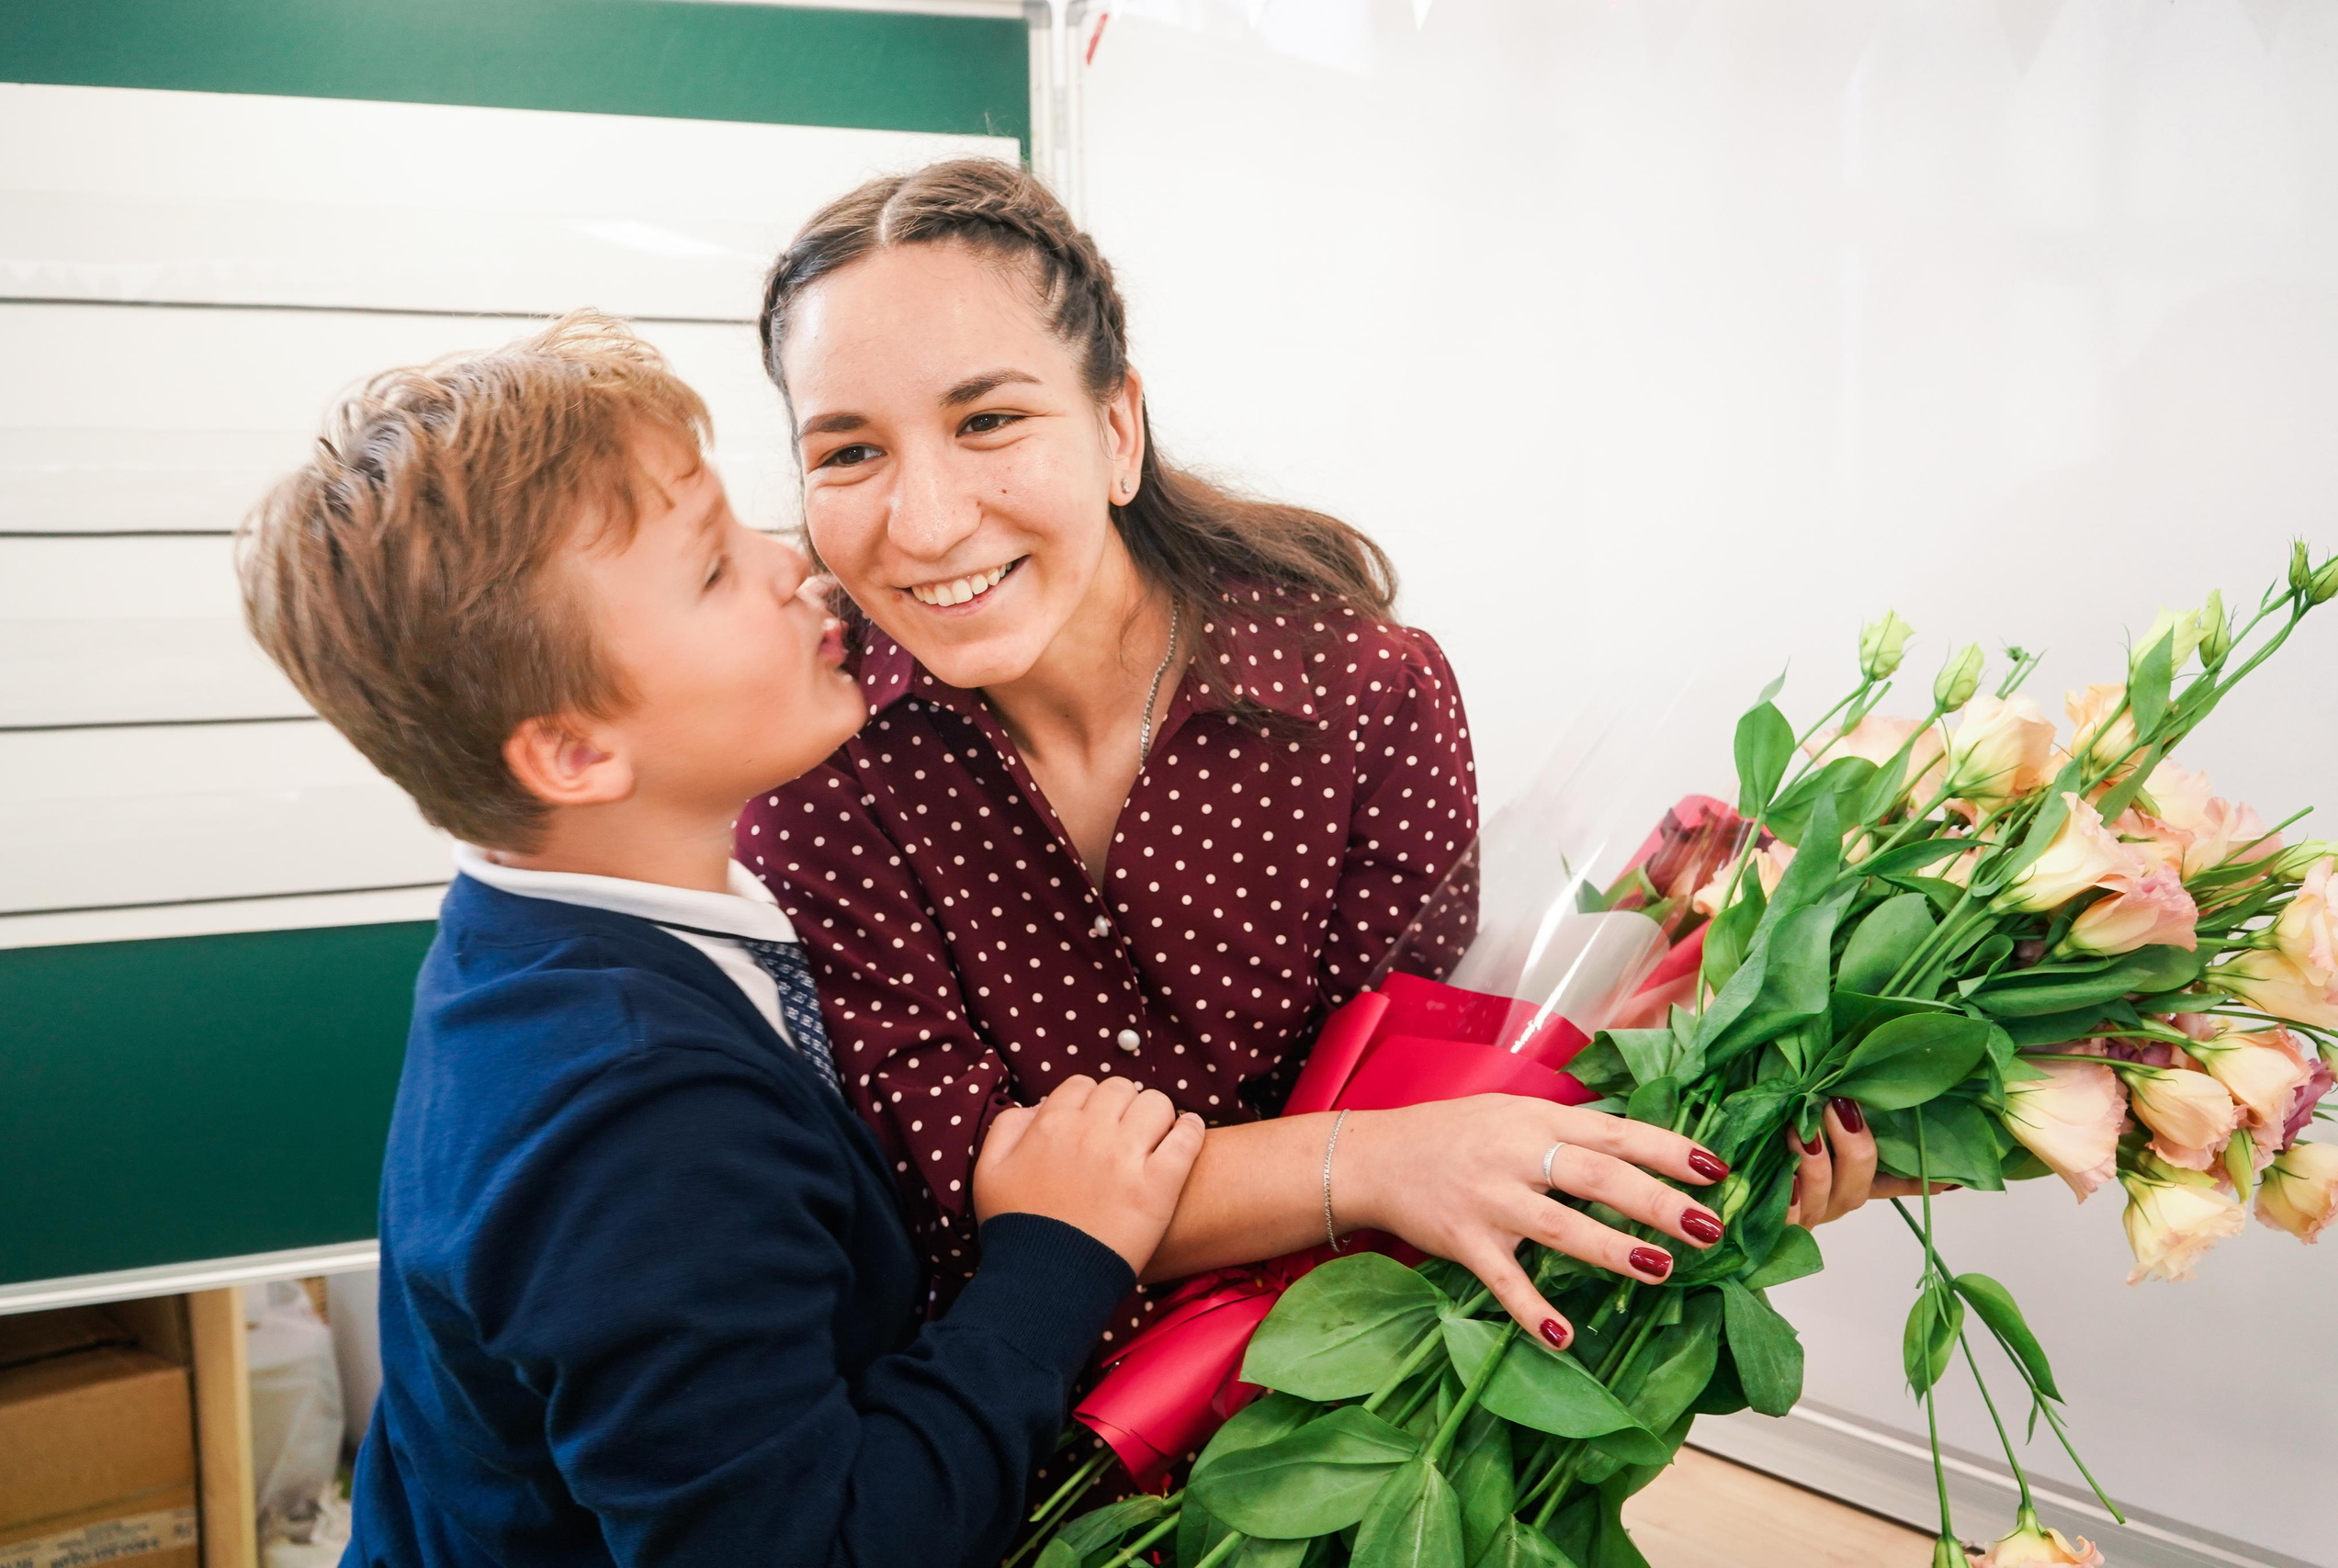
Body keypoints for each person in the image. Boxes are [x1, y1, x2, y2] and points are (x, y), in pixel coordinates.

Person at [742, 159, 1914, 1356]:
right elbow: (959, 1190)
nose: (927, 521)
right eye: (848, 453)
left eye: (987, 420)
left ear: (1116, 428)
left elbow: (1433, 1090)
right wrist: (1382, 1161)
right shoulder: (802, 755)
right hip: (987, 1429)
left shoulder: (1365, 692)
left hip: (1352, 1383)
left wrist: (1745, 1141)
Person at [236, 312, 1206, 1568]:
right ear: (577, 753)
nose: (792, 566)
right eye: (709, 570)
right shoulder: (630, 1122)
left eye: (744, 519)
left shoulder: (546, 924)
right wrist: (1050, 1258)